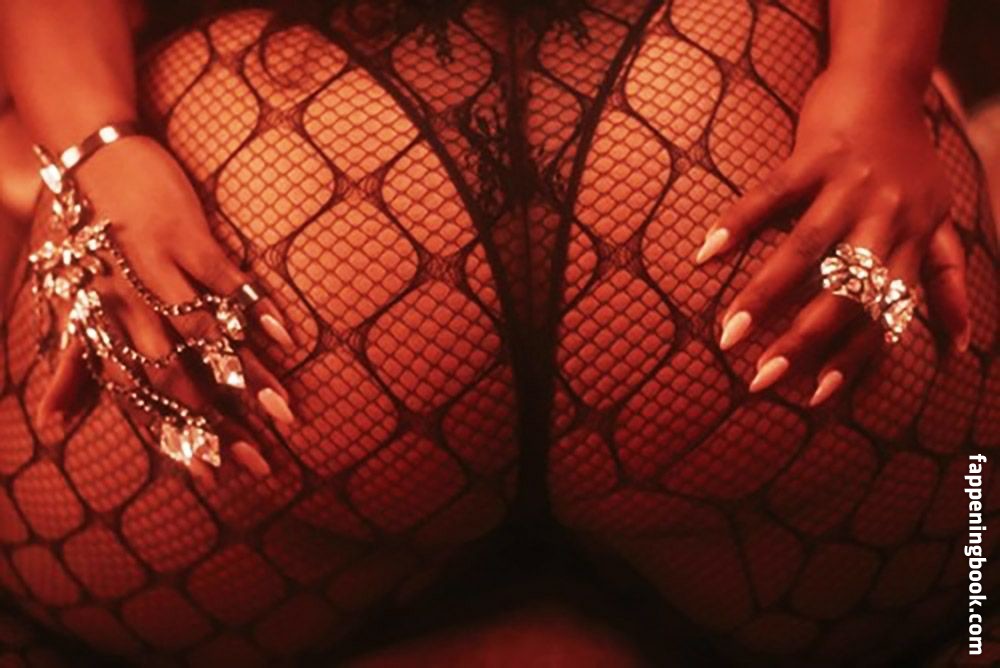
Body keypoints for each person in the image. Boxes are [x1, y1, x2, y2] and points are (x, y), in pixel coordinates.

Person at [0, 0, 995, 665]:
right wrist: (880, 74)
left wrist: (96, 140)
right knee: (976, 587)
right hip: (724, 136)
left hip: (282, 188)